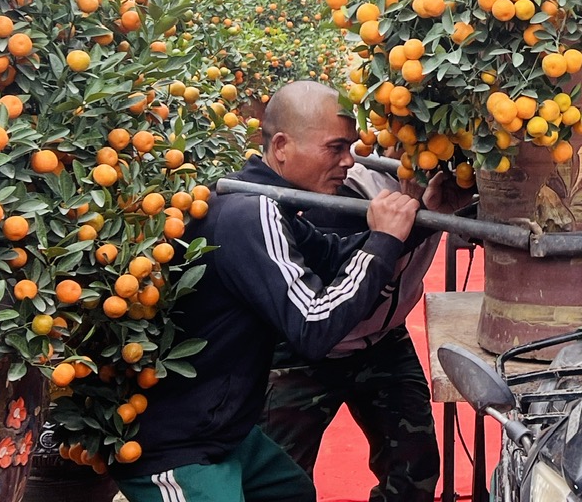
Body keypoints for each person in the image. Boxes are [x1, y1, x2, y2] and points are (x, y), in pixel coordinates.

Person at [111, 81, 424, 502]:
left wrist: (418, 219)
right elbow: (314, 326)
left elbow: (331, 256)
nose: (349, 161)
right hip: (176, 446)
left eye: (350, 148)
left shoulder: (269, 203)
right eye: (335, 148)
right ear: (281, 146)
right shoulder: (250, 212)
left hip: (223, 431)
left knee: (291, 492)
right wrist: (383, 242)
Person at [260, 150, 471, 501]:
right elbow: (337, 296)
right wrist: (420, 218)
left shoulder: (442, 178)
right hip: (306, 347)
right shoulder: (344, 192)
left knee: (414, 467)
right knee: (277, 480)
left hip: (382, 339)